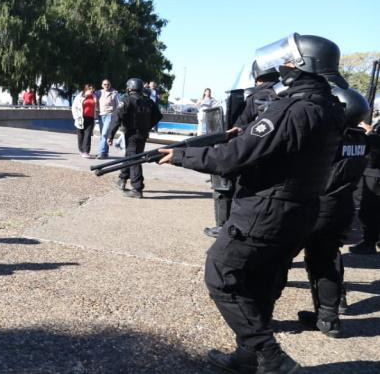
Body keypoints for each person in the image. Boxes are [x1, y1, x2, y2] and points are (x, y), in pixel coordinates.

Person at [158, 34, 346, 373]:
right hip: (299, 212)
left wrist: (180, 155)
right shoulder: (331, 108)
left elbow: (233, 158)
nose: (282, 68)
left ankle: (272, 359)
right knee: (262, 283)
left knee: (221, 274)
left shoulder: (292, 109)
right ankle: (246, 359)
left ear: (306, 67)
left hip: (266, 211)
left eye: (288, 62)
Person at [298, 87, 374, 337]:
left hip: (317, 205)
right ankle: (328, 318)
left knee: (280, 258)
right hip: (343, 206)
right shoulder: (362, 139)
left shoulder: (329, 137)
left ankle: (258, 321)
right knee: (328, 259)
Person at [204, 62, 280, 238]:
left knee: (230, 189)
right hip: (277, 154)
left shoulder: (255, 97)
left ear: (257, 75)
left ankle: (226, 226)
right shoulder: (285, 95)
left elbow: (239, 126)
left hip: (251, 150)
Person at [107, 78, 162, 198]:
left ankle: (137, 188)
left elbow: (117, 118)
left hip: (131, 134)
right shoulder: (148, 101)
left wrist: (110, 135)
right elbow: (158, 116)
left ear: (130, 88)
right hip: (142, 134)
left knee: (134, 159)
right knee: (130, 156)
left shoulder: (126, 100)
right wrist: (147, 126)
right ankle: (122, 179)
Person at [350, 119, 380, 254]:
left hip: (375, 173)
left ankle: (369, 242)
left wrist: (369, 134)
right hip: (373, 171)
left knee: (370, 210)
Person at [71, 84, 98, 158]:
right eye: (90, 88)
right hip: (80, 117)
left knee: (88, 134)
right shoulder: (80, 96)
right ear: (86, 89)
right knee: (80, 135)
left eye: (93, 88)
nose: (92, 90)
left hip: (91, 118)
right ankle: (81, 150)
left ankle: (86, 151)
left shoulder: (94, 96)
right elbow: (74, 107)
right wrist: (76, 117)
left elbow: (96, 107)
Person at [96, 79, 119, 159]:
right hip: (101, 115)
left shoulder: (114, 93)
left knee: (104, 133)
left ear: (110, 85)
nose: (106, 86)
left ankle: (101, 152)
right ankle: (105, 153)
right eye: (105, 84)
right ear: (102, 85)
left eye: (108, 84)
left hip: (110, 115)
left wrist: (116, 116)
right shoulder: (98, 93)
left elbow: (118, 105)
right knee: (103, 134)